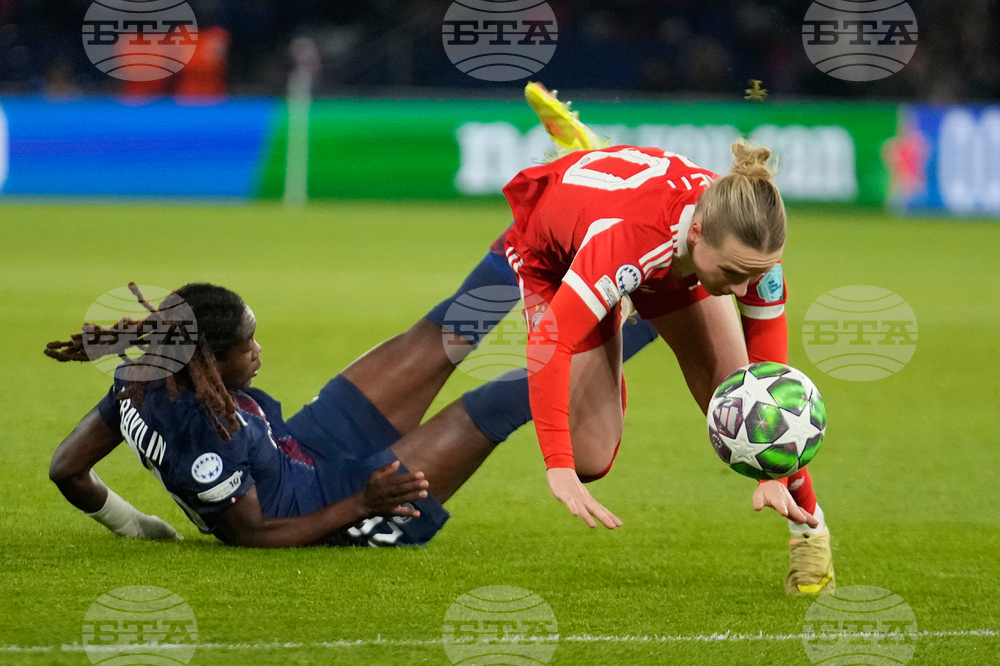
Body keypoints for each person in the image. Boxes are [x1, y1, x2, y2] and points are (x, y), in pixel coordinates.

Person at [497, 82, 834, 594]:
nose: (744, 290)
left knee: (748, 406)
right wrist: (558, 466)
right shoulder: (627, 244)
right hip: (557, 255)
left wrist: (771, 472)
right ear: (698, 234)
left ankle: (811, 536)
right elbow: (549, 341)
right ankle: (607, 304)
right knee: (590, 459)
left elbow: (768, 379)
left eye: (755, 275)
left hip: (664, 256)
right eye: (735, 274)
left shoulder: (751, 242)